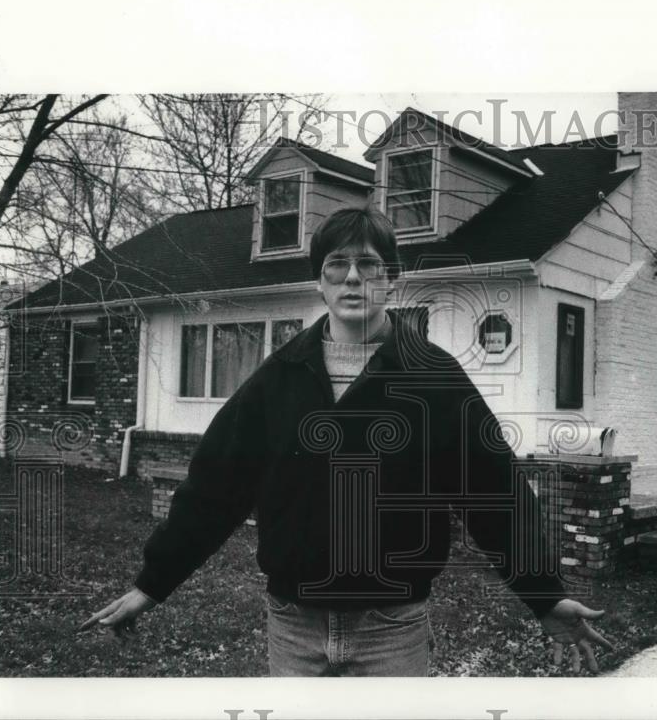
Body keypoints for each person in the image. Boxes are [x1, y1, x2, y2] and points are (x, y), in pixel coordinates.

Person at [80, 206, 613, 676]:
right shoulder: (280, 376)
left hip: (392, 628)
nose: (353, 278)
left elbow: (495, 493)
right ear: (320, 281)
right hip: (292, 624)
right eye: (338, 265)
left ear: (392, 280)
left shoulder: (433, 378)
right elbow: (215, 488)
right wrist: (152, 585)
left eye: (369, 265)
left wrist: (544, 596)